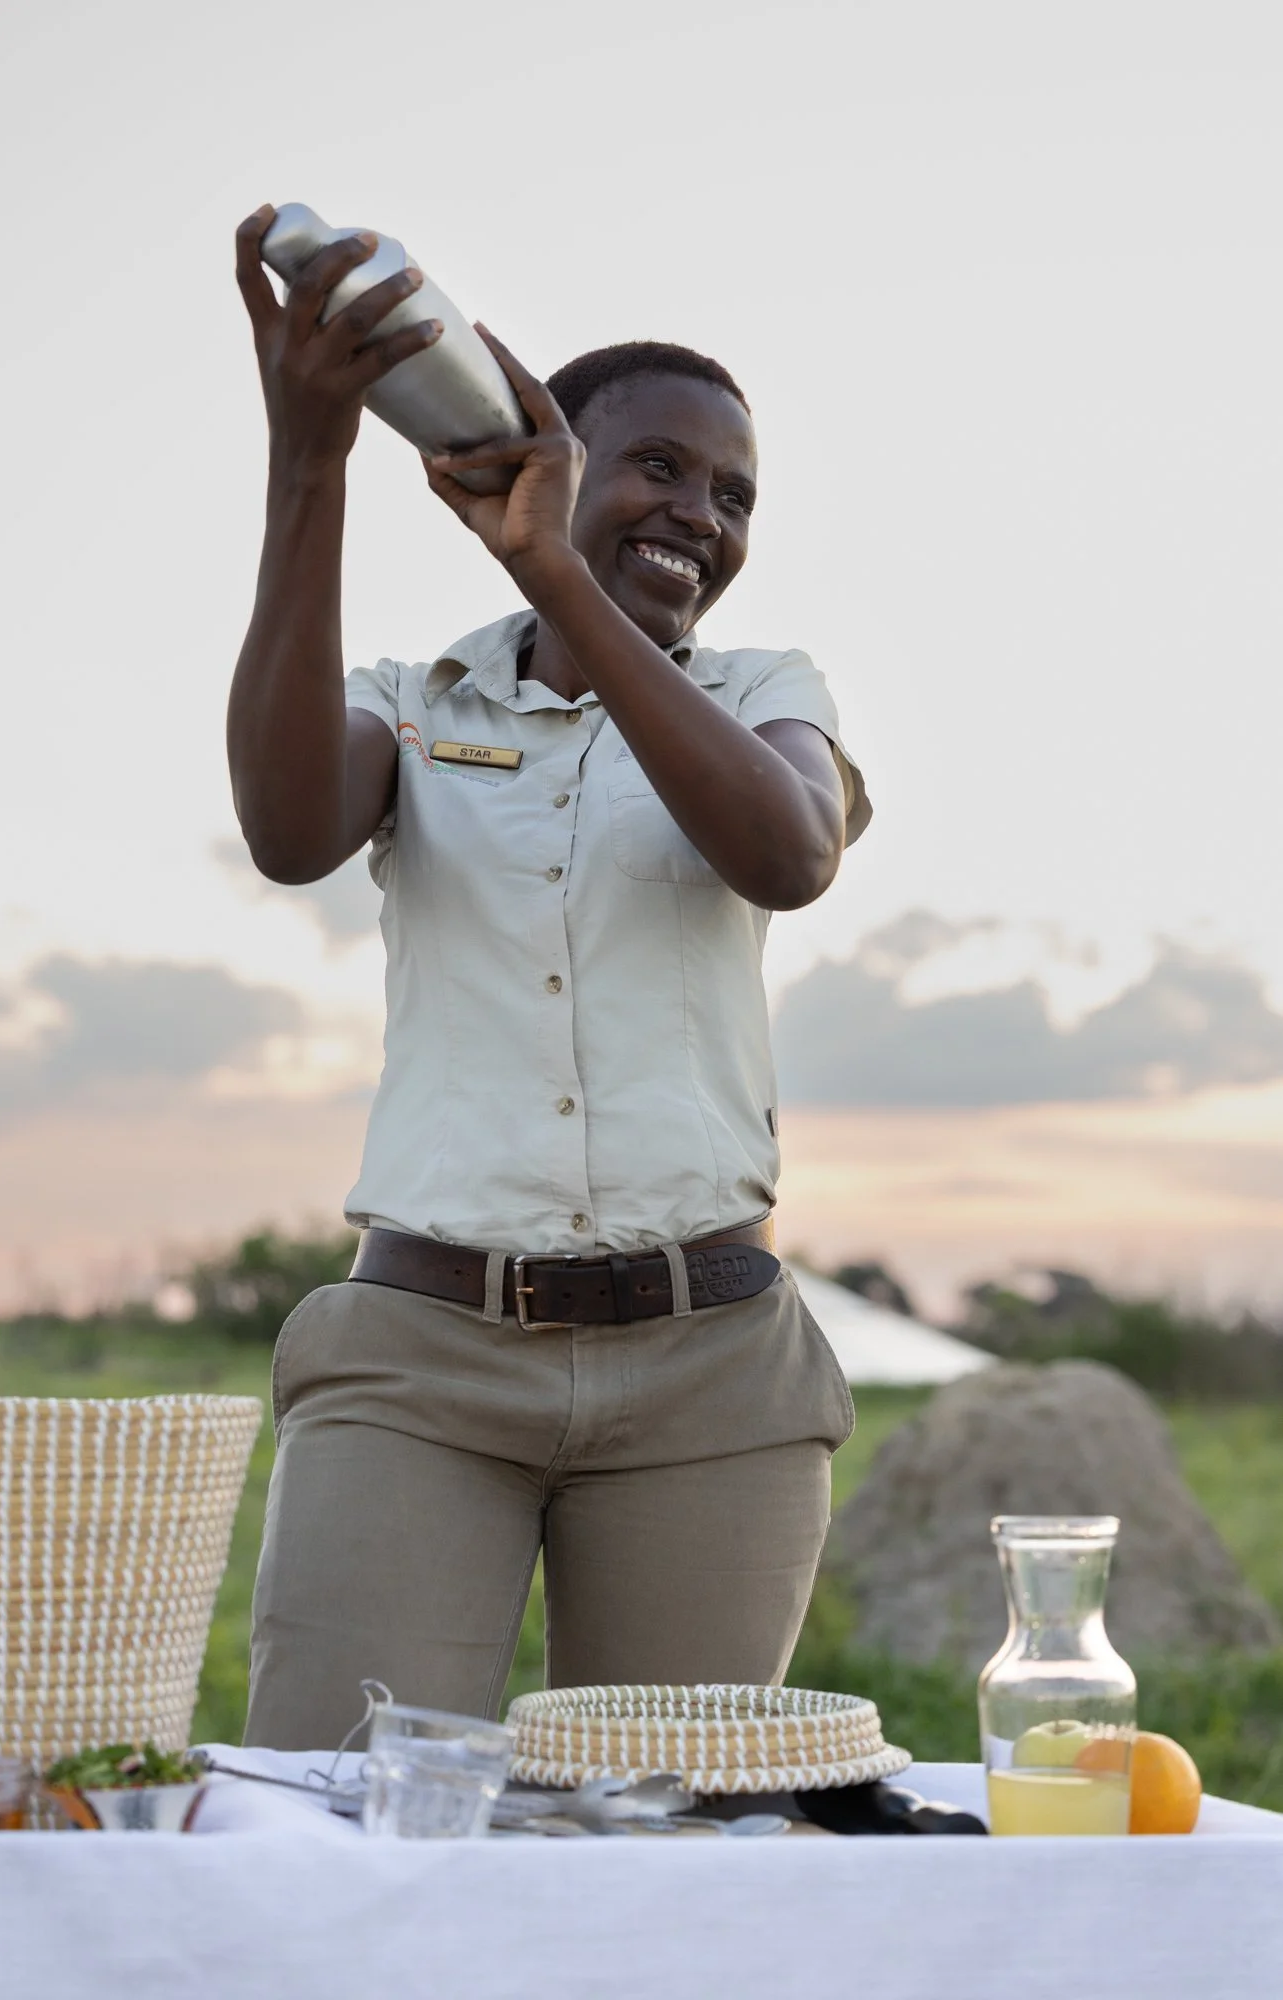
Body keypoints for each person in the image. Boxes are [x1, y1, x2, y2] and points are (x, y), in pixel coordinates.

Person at [229, 206, 873, 1749]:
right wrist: (310, 460)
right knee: (329, 1815)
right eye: (657, 466)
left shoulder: (767, 695)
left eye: (736, 494)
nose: (702, 514)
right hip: (421, 1357)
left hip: (712, 1372)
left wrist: (558, 577)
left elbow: (786, 852)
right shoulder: (412, 701)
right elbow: (288, 828)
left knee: (664, 1849)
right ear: (550, 455)